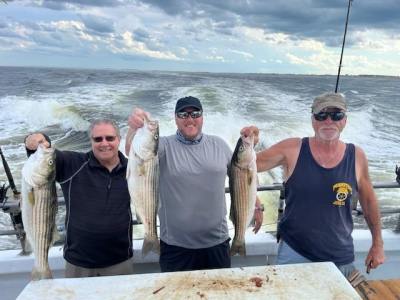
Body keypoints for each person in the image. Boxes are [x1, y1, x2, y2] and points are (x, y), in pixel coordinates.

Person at [241, 92, 385, 278]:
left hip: (340, 255)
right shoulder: (292, 149)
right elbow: (246, 166)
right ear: (313, 120)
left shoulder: (357, 155)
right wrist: (248, 142)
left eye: (336, 115)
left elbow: (368, 200)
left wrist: (378, 244)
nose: (328, 121)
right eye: (321, 115)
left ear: (345, 120)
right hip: (295, 252)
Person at [126, 96, 263, 272]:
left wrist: (257, 206)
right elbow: (133, 151)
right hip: (175, 247)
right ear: (175, 119)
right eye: (183, 114)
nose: (190, 119)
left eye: (195, 113)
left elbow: (242, 178)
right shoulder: (163, 146)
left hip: (218, 243)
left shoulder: (220, 145)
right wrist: (133, 128)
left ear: (202, 117)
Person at [24, 119, 134, 278]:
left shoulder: (132, 170)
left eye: (110, 138)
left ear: (119, 139)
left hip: (120, 260)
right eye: (98, 139)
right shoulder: (72, 164)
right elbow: (44, 158)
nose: (104, 143)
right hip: (78, 262)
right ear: (91, 141)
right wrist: (35, 141)